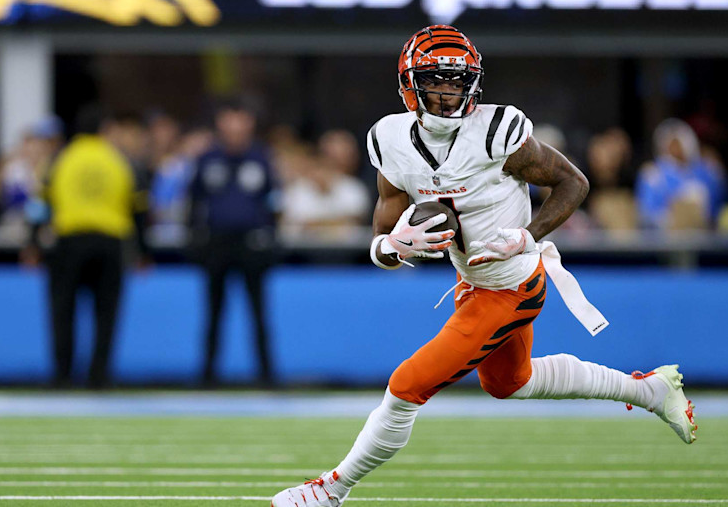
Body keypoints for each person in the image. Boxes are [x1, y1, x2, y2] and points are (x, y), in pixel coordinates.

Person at [271, 25, 697, 507]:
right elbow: (383, 235)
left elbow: (573, 183)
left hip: (514, 285)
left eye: (459, 81)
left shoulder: (498, 132)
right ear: (410, 84)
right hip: (473, 280)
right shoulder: (389, 139)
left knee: (406, 386)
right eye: (436, 80)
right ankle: (652, 391)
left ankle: (332, 489)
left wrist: (527, 236)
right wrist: (393, 247)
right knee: (509, 383)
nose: (449, 92)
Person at [22, 105, 150, 389]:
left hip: (69, 241)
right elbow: (139, 209)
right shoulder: (120, 160)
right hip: (110, 242)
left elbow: (40, 206)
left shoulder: (61, 159)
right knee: (106, 314)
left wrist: (32, 243)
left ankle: (62, 376)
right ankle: (99, 376)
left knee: (62, 311)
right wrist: (141, 250)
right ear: (105, 129)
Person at [188, 97, 279, 387]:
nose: (236, 126)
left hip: (251, 244)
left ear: (249, 124)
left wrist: (270, 236)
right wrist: (196, 238)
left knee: (258, 312)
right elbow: (194, 201)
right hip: (216, 243)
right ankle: (208, 375)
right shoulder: (207, 158)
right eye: (230, 119)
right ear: (220, 123)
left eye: (241, 119)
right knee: (214, 312)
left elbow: (274, 201)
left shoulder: (261, 157)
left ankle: (266, 376)